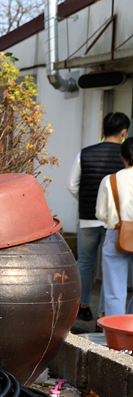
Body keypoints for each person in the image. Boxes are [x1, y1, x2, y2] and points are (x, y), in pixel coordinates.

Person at [68, 112, 129, 320]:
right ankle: (104, 314)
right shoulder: (126, 156)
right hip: (115, 222)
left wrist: (86, 202)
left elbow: (72, 185)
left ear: (102, 132)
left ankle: (82, 307)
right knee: (110, 268)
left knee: (84, 262)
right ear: (124, 132)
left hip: (87, 217)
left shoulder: (84, 153)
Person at [95, 136, 133, 317]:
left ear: (121, 156)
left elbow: (100, 214)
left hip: (116, 232)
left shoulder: (109, 180)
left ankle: (116, 335)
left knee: (114, 289)